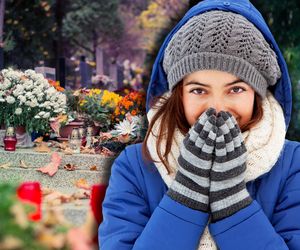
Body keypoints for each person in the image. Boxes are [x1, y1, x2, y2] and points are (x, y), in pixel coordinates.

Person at [99, 0, 300, 249]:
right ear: (178, 94)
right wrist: (187, 196)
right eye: (198, 90)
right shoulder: (135, 167)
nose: (217, 107)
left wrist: (232, 204)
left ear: (257, 93)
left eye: (236, 89)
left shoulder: (293, 164)